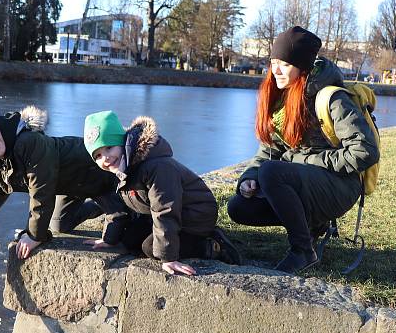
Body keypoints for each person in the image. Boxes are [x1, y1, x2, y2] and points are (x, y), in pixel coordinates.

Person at [227, 26, 380, 273]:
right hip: (309, 182)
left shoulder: (332, 99)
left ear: (302, 67)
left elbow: (364, 151)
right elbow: (269, 150)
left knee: (272, 173)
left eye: (284, 64)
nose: (275, 70)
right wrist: (248, 178)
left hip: (341, 186)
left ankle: (303, 251)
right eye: (273, 62)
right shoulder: (282, 97)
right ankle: (313, 226)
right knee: (239, 207)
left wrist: (303, 158)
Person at [0, 106, 127, 259]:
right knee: (59, 226)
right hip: (70, 187)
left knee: (119, 232)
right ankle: (96, 208)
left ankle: (115, 203)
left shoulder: (29, 143)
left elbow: (42, 190)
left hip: (96, 174)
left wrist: (34, 236)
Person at [82, 110, 239, 276]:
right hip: (159, 214)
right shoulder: (121, 167)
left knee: (151, 248)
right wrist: (109, 239)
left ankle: (212, 245)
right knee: (128, 240)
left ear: (123, 142)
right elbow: (119, 207)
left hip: (194, 215)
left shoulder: (157, 167)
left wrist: (168, 257)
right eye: (98, 155)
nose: (105, 158)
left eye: (109, 147)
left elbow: (165, 209)